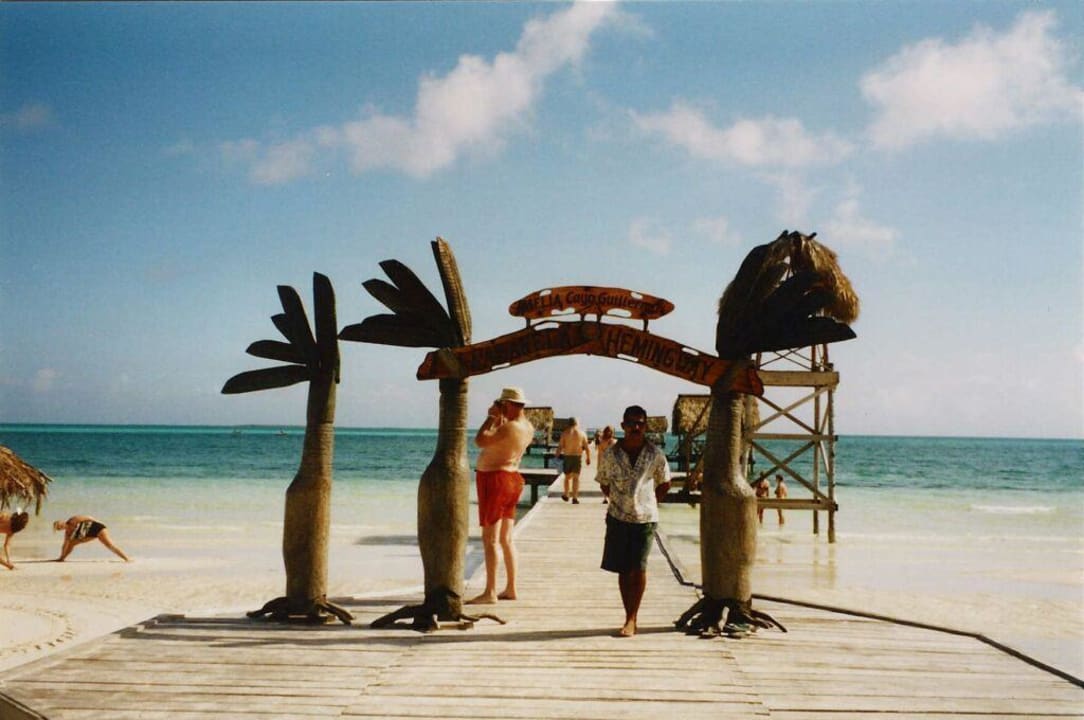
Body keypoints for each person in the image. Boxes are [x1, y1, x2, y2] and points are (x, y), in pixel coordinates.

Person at [597, 405, 671, 637]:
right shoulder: (611, 454)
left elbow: (665, 482)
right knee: (622, 568)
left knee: (638, 568)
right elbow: (604, 482)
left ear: (645, 426)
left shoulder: (655, 454)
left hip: (645, 519)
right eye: (631, 423)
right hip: (618, 515)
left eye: (640, 423)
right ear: (623, 426)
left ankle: (632, 618)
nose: (636, 427)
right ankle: (627, 613)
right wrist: (619, 500)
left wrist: (649, 503)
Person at [467, 386, 534, 605]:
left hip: (495, 480)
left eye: (501, 403)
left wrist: (490, 417)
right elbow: (502, 443)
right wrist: (500, 418)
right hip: (512, 479)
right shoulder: (527, 426)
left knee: (490, 539)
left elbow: (480, 440)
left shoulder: (510, 427)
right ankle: (511, 588)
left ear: (507, 404)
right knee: (506, 539)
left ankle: (490, 591)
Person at [53, 515, 130, 562]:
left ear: (63, 522)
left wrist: (101, 523)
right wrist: (61, 554)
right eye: (59, 528)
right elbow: (64, 545)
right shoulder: (68, 534)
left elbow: (89, 517)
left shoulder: (73, 520)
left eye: (60, 525)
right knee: (71, 543)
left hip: (98, 528)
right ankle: (62, 558)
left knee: (109, 545)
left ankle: (126, 558)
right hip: (90, 534)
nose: (61, 527)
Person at [557, 416, 591, 504]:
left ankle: (566, 494)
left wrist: (556, 454)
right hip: (577, 457)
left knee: (567, 478)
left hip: (567, 456)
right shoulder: (582, 433)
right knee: (576, 478)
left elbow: (560, 446)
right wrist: (588, 457)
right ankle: (575, 497)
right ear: (577, 423)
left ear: (568, 423)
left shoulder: (565, 433)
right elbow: (587, 448)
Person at [595, 425, 616, 504]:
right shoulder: (614, 442)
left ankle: (606, 498)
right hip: (610, 465)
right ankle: (608, 498)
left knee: (604, 482)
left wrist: (598, 465)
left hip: (605, 464)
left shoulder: (602, 443)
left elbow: (599, 455)